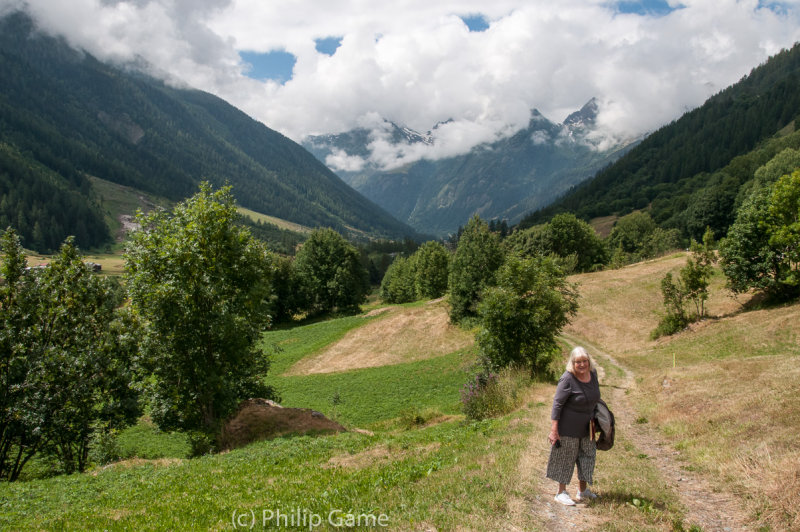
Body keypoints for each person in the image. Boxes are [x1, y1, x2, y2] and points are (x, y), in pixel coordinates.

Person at [546, 346, 601, 506]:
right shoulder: (567, 378)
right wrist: (554, 430)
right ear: (572, 363)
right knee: (565, 458)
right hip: (568, 428)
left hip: (588, 427)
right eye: (578, 362)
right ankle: (560, 492)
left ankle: (582, 491)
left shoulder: (593, 374)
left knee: (587, 457)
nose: (582, 365)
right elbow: (557, 404)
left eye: (585, 361)